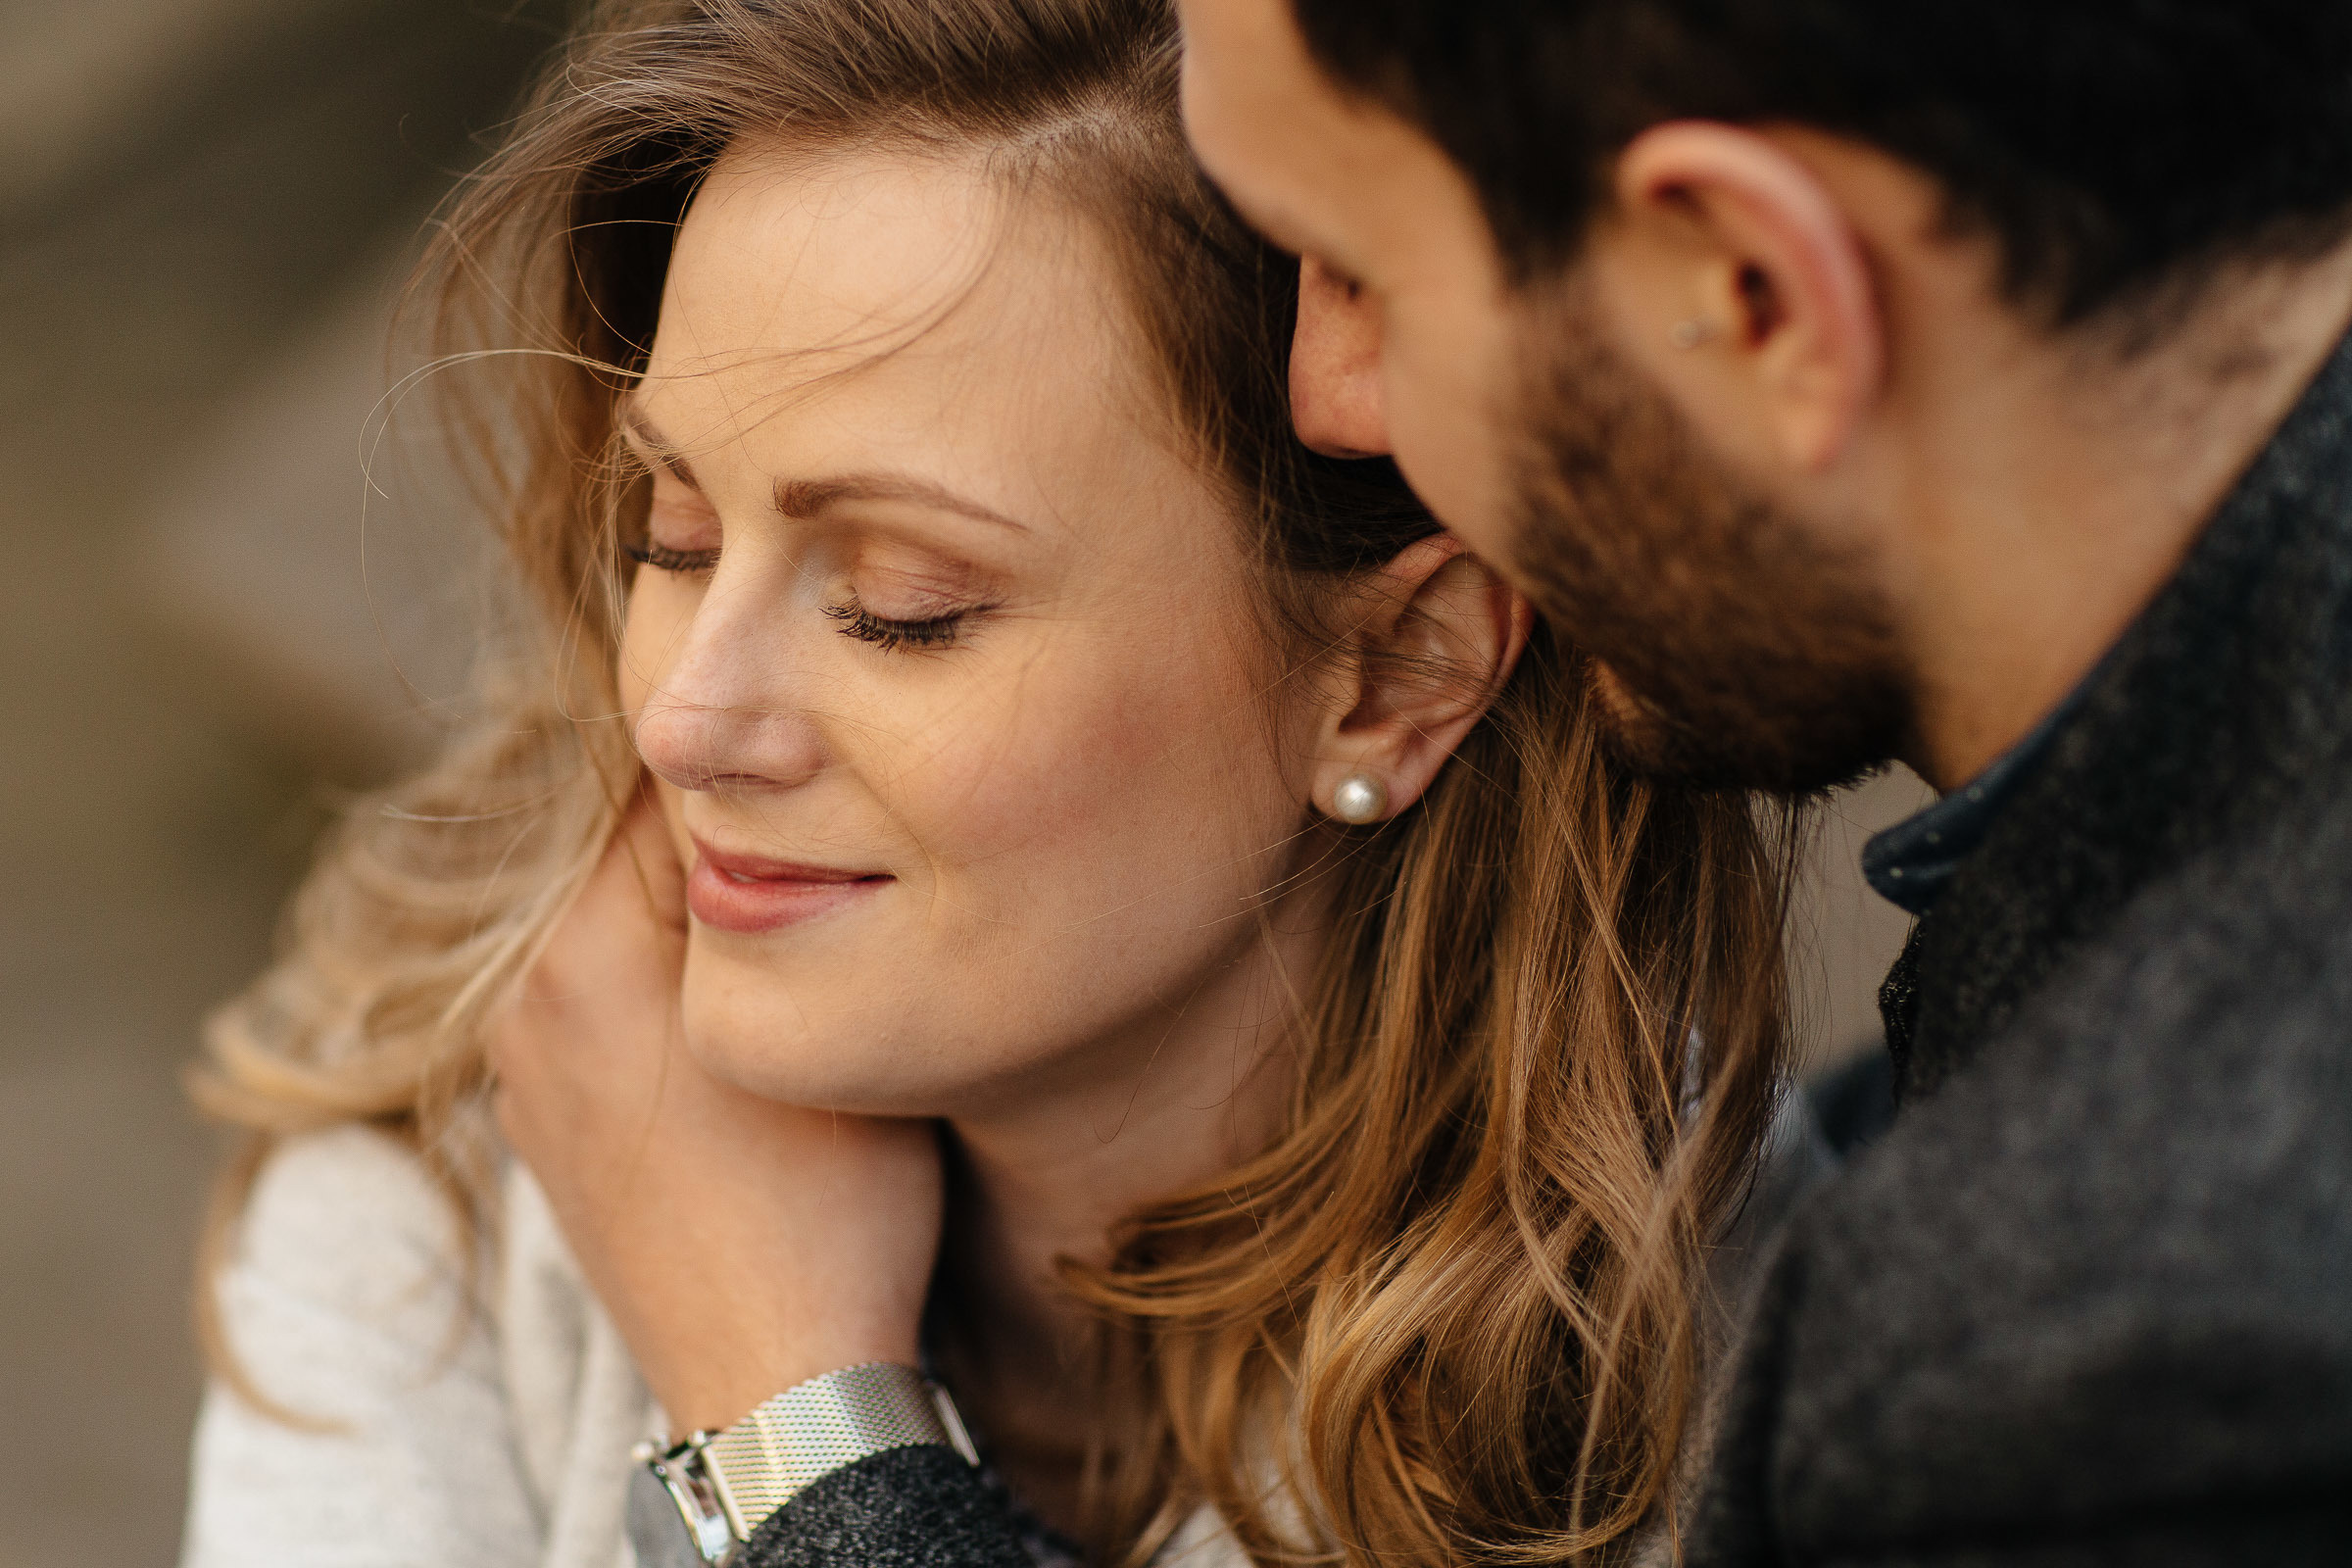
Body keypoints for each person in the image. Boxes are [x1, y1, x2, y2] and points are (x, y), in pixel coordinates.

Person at [178, 4, 1816, 1567]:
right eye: (674, 538)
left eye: (906, 606)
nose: (686, 717)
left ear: (1395, 679)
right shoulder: (450, 1210)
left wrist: (798, 1426)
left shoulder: (1764, 1396)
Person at [1167, 0, 2352, 1562]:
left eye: (1358, 269)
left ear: (1756, 292)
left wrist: (818, 1447)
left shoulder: (2108, 1361)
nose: (1327, 399)